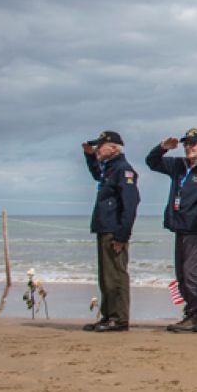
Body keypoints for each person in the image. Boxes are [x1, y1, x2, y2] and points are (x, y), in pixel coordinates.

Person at [146, 128, 197, 333]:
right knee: (182, 274)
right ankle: (192, 313)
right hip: (179, 226)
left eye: (193, 143)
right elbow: (152, 162)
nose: (189, 147)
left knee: (191, 273)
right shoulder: (179, 165)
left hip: (196, 228)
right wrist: (163, 148)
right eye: (186, 143)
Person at [81, 131, 140, 332]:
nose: (97, 149)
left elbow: (130, 204)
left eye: (101, 146)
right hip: (104, 227)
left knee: (116, 275)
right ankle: (108, 315)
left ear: (114, 148)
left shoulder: (123, 169)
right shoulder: (110, 168)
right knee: (106, 277)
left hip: (114, 230)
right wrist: (90, 156)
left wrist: (122, 235)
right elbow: (97, 174)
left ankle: (119, 318)